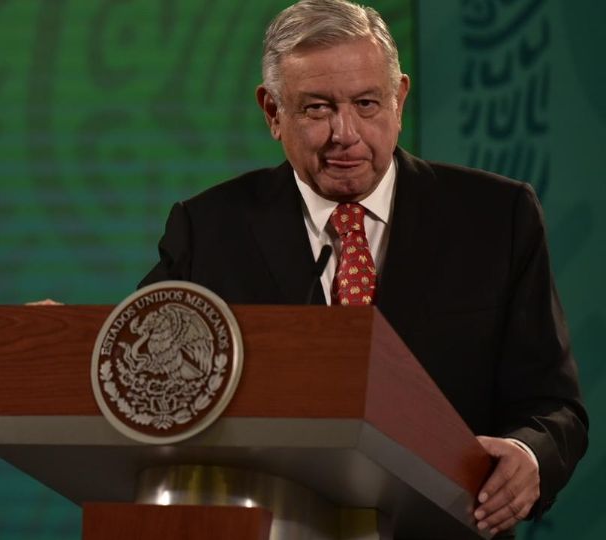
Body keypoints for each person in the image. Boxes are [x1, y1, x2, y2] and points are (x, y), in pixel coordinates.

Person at [139, 0, 588, 536]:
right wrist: (69, 342)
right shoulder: (208, 228)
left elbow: (555, 408)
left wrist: (528, 456)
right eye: (317, 108)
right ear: (272, 113)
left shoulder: (496, 217)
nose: (344, 134)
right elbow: (137, 370)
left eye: (367, 104)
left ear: (400, 98)